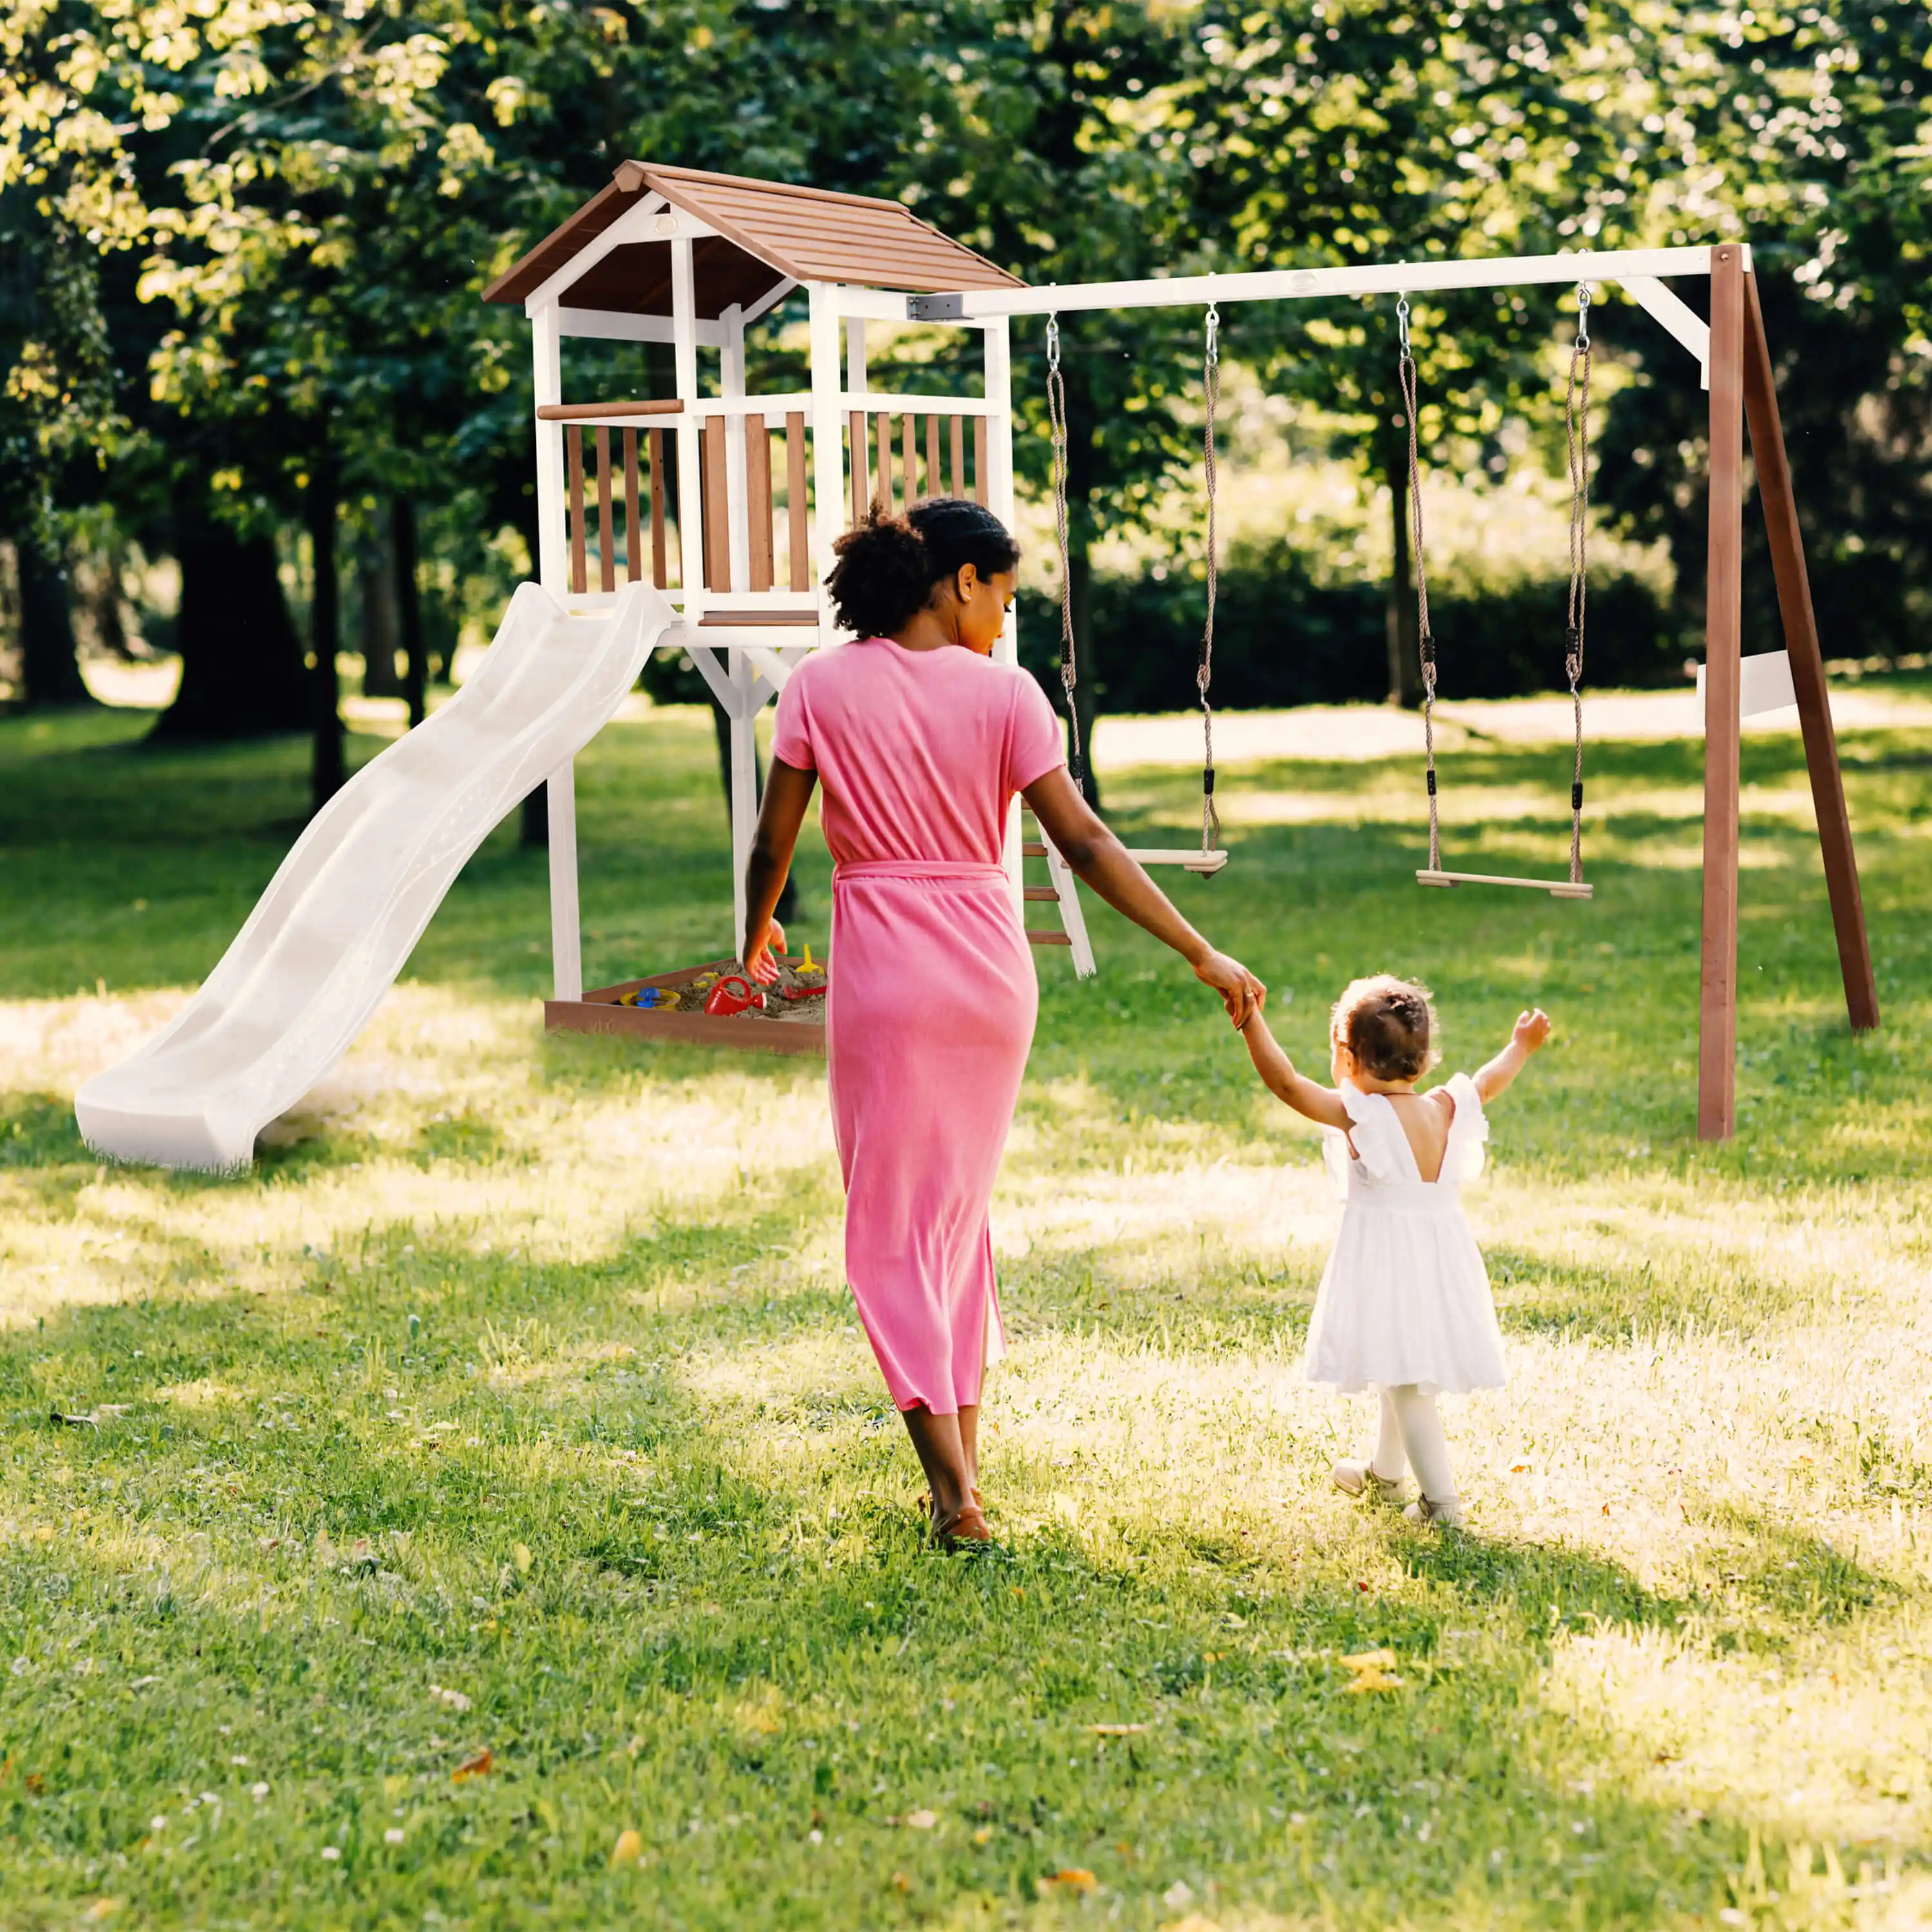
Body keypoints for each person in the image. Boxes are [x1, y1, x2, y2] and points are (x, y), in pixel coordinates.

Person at [741, 499, 1265, 1546]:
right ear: (960, 581)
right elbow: (1085, 844)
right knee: (953, 1225)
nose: (1005, 619)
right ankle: (962, 1478)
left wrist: (752, 938)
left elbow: (774, 841)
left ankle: (954, 1494)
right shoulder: (1008, 697)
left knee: (891, 1232)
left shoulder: (818, 687)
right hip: (989, 976)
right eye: (1005, 596)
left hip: (888, 976)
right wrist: (1197, 948)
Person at [1235, 976, 1551, 1527]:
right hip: (1439, 1259)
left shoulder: (1362, 1117)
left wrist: (1250, 1020)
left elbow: (1286, 1084)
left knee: (1407, 1383)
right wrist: (1520, 1047)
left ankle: (1441, 1504)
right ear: (1424, 1060)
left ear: (1349, 1057)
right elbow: (1488, 1080)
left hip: (1389, 1262)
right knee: (1395, 1360)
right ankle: (1385, 1475)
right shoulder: (1446, 1107)